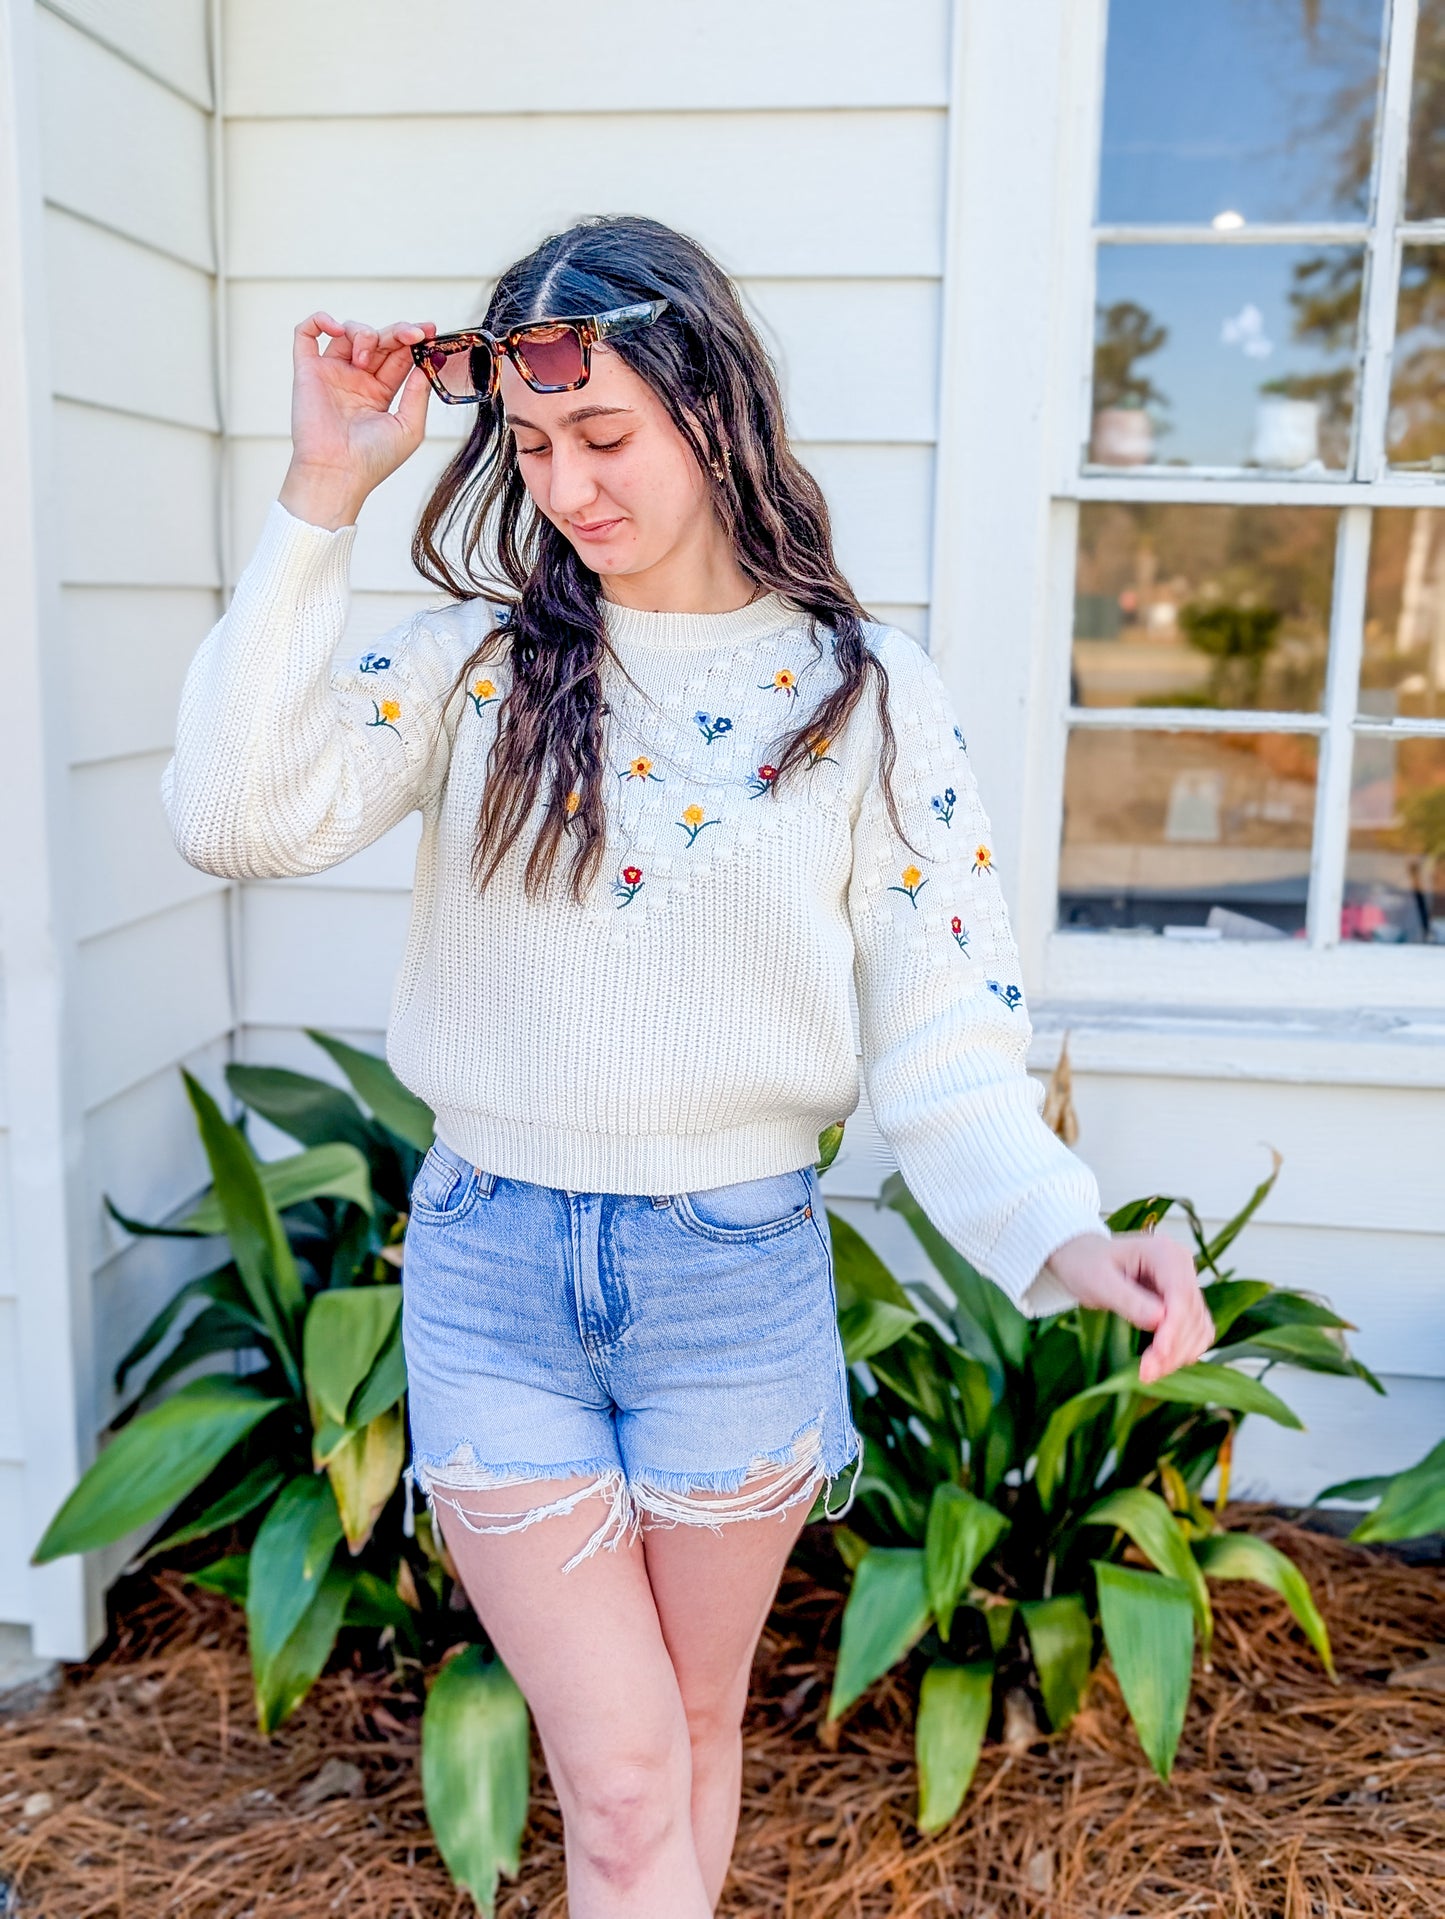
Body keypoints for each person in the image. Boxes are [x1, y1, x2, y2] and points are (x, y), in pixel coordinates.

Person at [162, 214, 1213, 1918]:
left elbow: (944, 1032)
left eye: (604, 436)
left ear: (713, 411)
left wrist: (1062, 1235)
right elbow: (231, 813)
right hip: (496, 1269)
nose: (567, 487)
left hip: (734, 1279)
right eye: (530, 448)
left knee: (689, 1740)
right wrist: (320, 495)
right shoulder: (479, 673)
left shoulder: (869, 703)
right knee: (628, 1777)